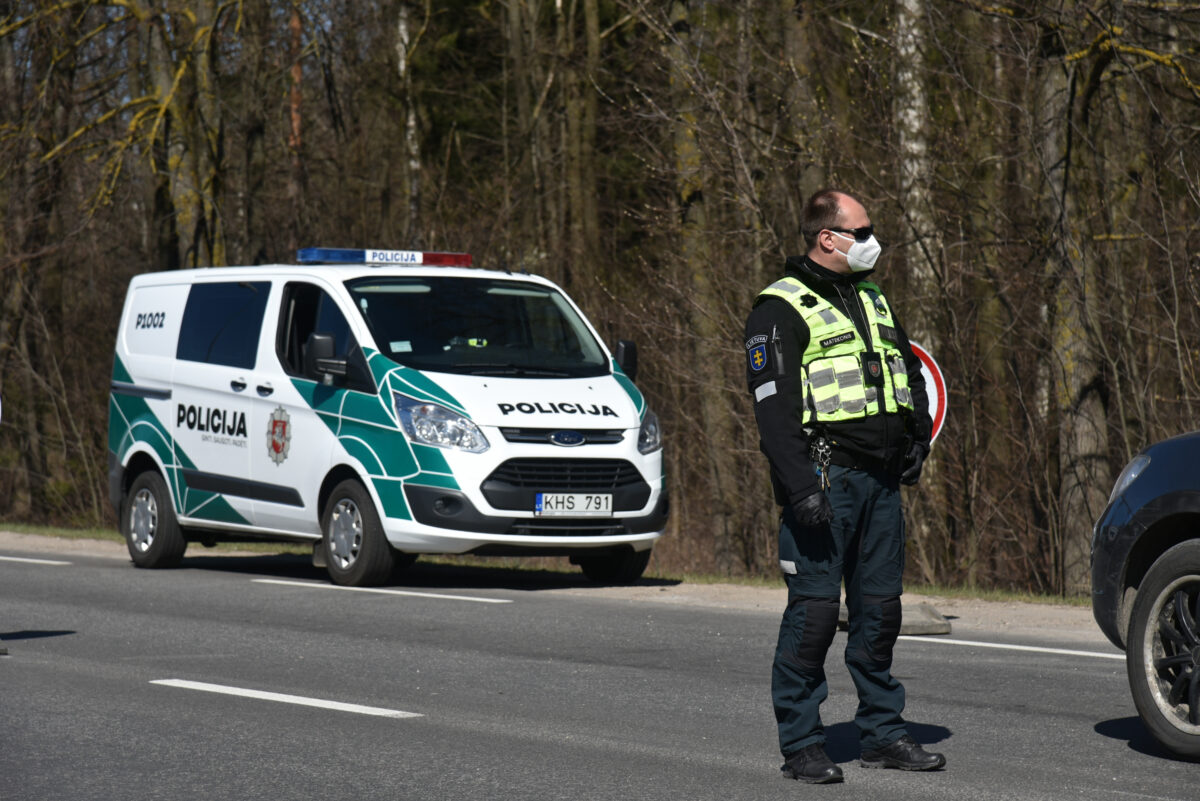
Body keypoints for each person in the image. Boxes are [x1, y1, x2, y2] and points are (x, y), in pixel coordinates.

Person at [744, 188, 944, 783]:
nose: (872, 239)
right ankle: (802, 744)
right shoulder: (778, 309)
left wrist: (913, 442)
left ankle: (883, 734)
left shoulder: (872, 297)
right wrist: (800, 488)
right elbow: (772, 411)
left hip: (882, 486)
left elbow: (903, 371)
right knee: (813, 617)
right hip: (825, 483)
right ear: (828, 237)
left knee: (880, 614)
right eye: (863, 230)